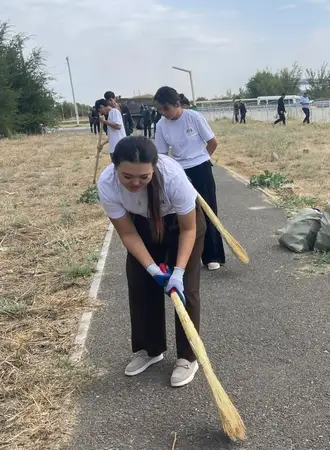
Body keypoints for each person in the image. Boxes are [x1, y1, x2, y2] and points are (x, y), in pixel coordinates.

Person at [96, 135, 206, 385]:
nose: (135, 182)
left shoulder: (173, 178)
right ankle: (150, 349)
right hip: (141, 225)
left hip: (181, 225)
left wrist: (176, 272)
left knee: (185, 289)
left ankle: (188, 357)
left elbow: (188, 229)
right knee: (141, 283)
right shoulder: (107, 184)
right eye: (127, 176)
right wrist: (153, 269)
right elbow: (127, 232)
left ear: (154, 169)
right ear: (115, 166)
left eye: (143, 177)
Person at [153, 86, 226, 271]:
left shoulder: (193, 117)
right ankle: (181, 257)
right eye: (160, 109)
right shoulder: (161, 124)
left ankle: (212, 255)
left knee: (208, 210)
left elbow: (212, 142)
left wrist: (201, 160)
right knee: (180, 213)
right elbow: (162, 154)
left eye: (166, 108)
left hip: (200, 168)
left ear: (177, 104)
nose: (163, 112)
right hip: (178, 172)